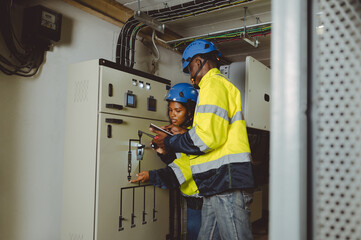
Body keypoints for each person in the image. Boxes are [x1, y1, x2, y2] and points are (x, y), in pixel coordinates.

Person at [151, 39, 255, 240]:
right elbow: (212, 132)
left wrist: (169, 141)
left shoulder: (212, 85)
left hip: (227, 184)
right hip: (216, 185)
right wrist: (180, 136)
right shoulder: (220, 86)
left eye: (189, 68)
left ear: (198, 62)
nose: (190, 76)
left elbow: (205, 140)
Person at [130, 83, 203, 240]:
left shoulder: (193, 138)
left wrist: (151, 176)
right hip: (191, 200)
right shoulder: (183, 136)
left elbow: (181, 171)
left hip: (201, 203)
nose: (172, 115)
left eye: (178, 110)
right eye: (170, 110)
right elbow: (180, 161)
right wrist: (163, 152)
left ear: (190, 112)